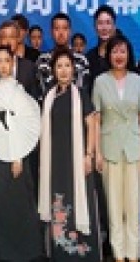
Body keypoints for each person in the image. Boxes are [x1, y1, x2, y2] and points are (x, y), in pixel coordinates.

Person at [93, 35, 140, 262]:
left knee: (133, 205)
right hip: (109, 148)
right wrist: (97, 152)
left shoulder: (138, 81)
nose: (119, 56)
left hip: (134, 148)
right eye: (115, 51)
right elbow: (96, 119)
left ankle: (133, 254)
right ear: (109, 55)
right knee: (114, 206)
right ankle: (119, 255)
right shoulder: (100, 82)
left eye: (123, 51)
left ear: (129, 54)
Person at [39, 47, 101, 261]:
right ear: (53, 70)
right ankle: (61, 254)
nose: (64, 70)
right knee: (59, 204)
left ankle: (83, 254)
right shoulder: (48, 97)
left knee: (80, 202)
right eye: (59, 66)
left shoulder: (80, 95)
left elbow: (92, 124)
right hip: (55, 161)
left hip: (77, 159)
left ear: (73, 69)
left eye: (67, 66)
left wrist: (89, 154)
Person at [0, 46, 42, 262]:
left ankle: (27, 252)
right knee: (2, 206)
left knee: (21, 204)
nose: (3, 65)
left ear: (13, 63)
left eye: (7, 60)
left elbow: (25, 126)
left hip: (18, 154)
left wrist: (18, 156)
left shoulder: (20, 92)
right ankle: (5, 253)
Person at [36, 13, 90, 99]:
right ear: (51, 32)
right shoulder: (42, 60)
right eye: (57, 28)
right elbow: (41, 91)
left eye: (65, 28)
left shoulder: (81, 60)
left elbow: (84, 91)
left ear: (70, 31)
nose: (61, 33)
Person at [0, 20, 39, 99]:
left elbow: (34, 98)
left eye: (12, 37)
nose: (8, 41)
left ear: (18, 39)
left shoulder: (29, 67)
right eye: (4, 37)